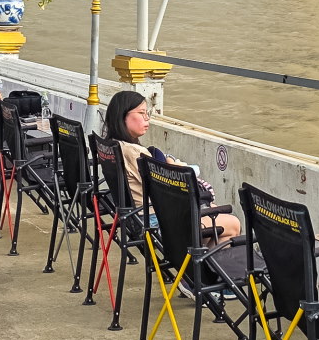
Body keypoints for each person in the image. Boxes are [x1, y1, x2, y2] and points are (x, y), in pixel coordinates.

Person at [103, 90, 240, 241]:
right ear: (122, 116)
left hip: (132, 219)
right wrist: (176, 167)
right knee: (233, 224)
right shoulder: (134, 153)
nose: (147, 118)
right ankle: (198, 256)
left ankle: (201, 256)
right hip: (154, 223)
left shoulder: (113, 146)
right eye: (141, 113)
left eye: (147, 113)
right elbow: (166, 193)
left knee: (214, 225)